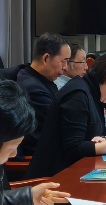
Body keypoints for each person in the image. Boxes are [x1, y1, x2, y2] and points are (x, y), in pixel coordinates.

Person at [30, 50, 106, 176]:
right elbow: (74, 149)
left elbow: (90, 138)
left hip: (80, 171)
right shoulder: (77, 95)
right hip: (57, 178)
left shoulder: (93, 93)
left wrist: (100, 142)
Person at [14, 32, 72, 160]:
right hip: (43, 160)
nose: (66, 68)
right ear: (46, 59)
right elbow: (60, 126)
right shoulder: (33, 89)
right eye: (63, 61)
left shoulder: (40, 80)